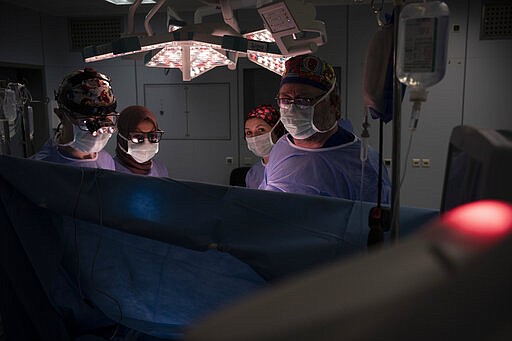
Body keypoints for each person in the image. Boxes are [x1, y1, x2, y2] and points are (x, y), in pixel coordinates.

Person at [259, 54, 391, 204]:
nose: (292, 109)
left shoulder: (364, 164)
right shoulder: (281, 147)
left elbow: (374, 223)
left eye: (303, 100)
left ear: (333, 102)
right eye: (285, 100)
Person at [31, 68, 117, 169]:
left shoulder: (106, 161)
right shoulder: (39, 168)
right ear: (61, 116)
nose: (98, 131)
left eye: (105, 121)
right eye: (86, 122)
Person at [114, 105, 168, 177]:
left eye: (152, 136)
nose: (146, 143)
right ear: (122, 138)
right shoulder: (110, 168)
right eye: (137, 137)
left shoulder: (160, 170)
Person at [244, 104, 285, 188]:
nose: (254, 137)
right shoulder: (252, 174)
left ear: (277, 131)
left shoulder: (291, 166)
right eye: (249, 132)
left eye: (261, 130)